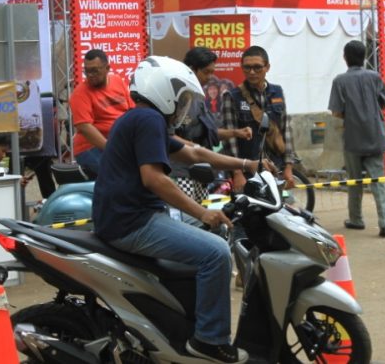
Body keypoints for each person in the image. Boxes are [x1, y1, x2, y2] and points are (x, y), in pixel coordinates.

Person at [94, 56, 263, 363]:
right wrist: (202, 212)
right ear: (162, 92)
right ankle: (209, 341)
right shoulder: (148, 120)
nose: (183, 106)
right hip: (133, 222)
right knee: (216, 253)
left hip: (128, 218)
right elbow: (154, 179)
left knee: (207, 243)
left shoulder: (141, 119)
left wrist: (246, 164)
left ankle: (184, 324)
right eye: (182, 97)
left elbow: (194, 153)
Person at [329, 40, 385, 238]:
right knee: (378, 181)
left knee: (354, 180)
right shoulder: (375, 77)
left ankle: (356, 219)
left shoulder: (339, 81)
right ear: (364, 57)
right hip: (375, 135)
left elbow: (336, 112)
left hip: (353, 137)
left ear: (345, 58)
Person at [174, 48, 252, 207]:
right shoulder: (177, 96)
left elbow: (210, 132)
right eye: (206, 72)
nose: (210, 77)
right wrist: (196, 148)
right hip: (181, 172)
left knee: (202, 214)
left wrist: (236, 132)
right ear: (191, 69)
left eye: (212, 72)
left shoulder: (198, 97)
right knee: (188, 215)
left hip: (200, 170)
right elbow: (168, 135)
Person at [221, 46, 297, 189]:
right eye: (247, 67)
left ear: (267, 67)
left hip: (275, 167)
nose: (252, 72)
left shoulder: (277, 92)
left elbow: (286, 129)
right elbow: (230, 139)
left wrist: (288, 166)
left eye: (257, 67)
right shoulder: (231, 96)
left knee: (278, 203)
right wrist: (237, 173)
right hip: (247, 171)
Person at [69, 49, 134, 176]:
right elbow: (85, 127)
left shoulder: (117, 81)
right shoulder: (80, 93)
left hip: (120, 143)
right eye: (87, 71)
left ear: (107, 68)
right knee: (119, 174)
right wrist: (111, 148)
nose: (90, 75)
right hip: (91, 147)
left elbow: (131, 111)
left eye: (95, 70)